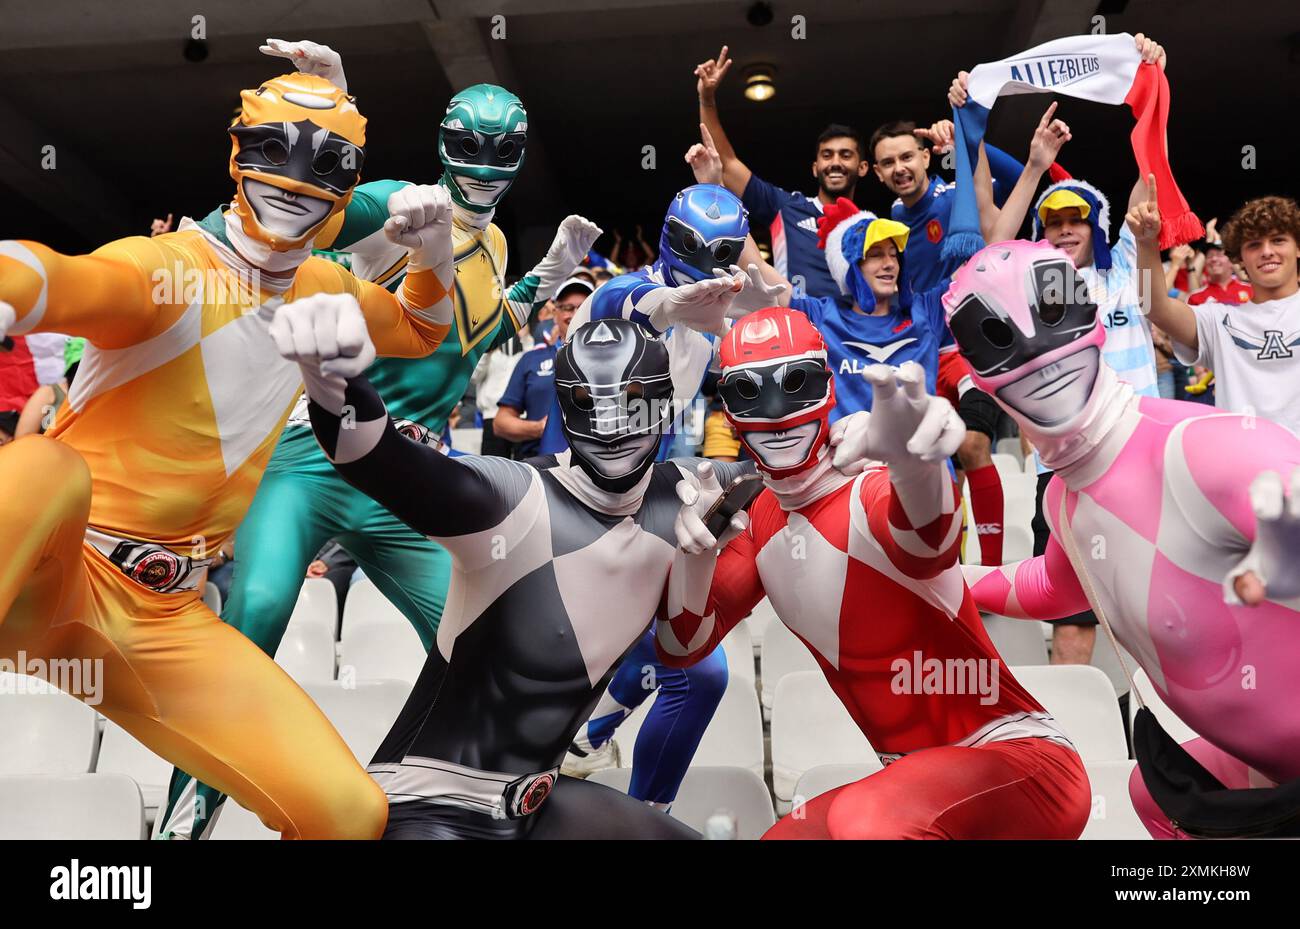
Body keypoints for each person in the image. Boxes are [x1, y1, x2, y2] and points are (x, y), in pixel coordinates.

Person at [157, 41, 600, 839]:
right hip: (315, 449)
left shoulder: (493, 244)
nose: (485, 165)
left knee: (488, 642)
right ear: (442, 144)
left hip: (409, 473)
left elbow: (476, 333)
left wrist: (548, 271)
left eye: (504, 150)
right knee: (254, 609)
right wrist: (326, 108)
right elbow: (312, 204)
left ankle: (419, 804)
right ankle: (182, 825)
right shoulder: (406, 202)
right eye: (470, 146)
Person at [0, 70, 457, 839]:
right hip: (56, 569)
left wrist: (435, 246)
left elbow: (421, 328)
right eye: (275, 149)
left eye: (325, 165)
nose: (295, 180)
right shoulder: (168, 269)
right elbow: (61, 277)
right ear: (239, 156)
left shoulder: (326, 287)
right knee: (45, 465)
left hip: (164, 617)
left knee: (350, 813)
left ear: (347, 186)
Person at [275, 296, 754, 838]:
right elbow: (376, 457)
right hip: (431, 802)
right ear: (568, 408)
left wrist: (853, 436)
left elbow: (786, 465)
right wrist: (335, 379)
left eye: (634, 405)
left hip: (539, 799)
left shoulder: (689, 491)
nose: (615, 427)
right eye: (594, 405)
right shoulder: (515, 498)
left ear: (663, 405)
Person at [655, 306, 1090, 839]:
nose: (775, 410)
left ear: (828, 386)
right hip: (912, 781)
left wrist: (916, 464)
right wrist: (693, 556)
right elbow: (681, 648)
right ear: (729, 407)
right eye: (750, 391)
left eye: (796, 383)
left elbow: (931, 540)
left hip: (1022, 764)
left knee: (867, 823)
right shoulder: (758, 520)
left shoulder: (871, 488)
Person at [954, 237, 1300, 839]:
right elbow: (1053, 586)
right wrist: (936, 575)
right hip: (1238, 788)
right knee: (1151, 793)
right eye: (1012, 354)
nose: (1044, 368)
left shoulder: (1211, 450)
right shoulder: (1065, 497)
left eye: (1053, 336)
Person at [695, 45, 867, 299]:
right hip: (796, 325)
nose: (835, 163)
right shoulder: (786, 207)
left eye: (846, 155)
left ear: (862, 168)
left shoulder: (870, 225)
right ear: (815, 167)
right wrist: (707, 99)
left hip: (850, 332)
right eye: (827, 155)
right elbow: (728, 165)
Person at [494, 279, 591, 458]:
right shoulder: (531, 359)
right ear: (555, 313)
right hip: (540, 467)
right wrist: (540, 428)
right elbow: (501, 423)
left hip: (599, 468)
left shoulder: (617, 360)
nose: (576, 314)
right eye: (568, 308)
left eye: (584, 307)